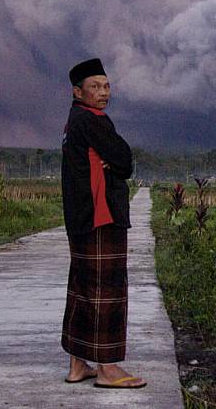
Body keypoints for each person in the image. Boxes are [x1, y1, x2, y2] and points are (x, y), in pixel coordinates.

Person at [60, 58, 146, 388]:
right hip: (101, 218)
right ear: (77, 91)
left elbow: (116, 161)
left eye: (107, 86)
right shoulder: (93, 120)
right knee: (106, 293)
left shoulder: (73, 122)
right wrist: (113, 160)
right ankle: (108, 369)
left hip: (81, 219)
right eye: (95, 87)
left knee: (83, 290)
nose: (103, 92)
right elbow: (125, 161)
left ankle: (77, 365)